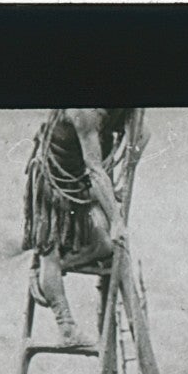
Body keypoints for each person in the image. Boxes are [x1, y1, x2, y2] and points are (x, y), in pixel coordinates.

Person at [23, 108, 136, 346]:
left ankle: (53, 269)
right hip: (53, 183)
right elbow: (95, 170)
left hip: (79, 184)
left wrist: (126, 172)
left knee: (106, 246)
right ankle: (66, 328)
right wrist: (116, 220)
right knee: (50, 255)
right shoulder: (84, 111)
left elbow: (143, 132)